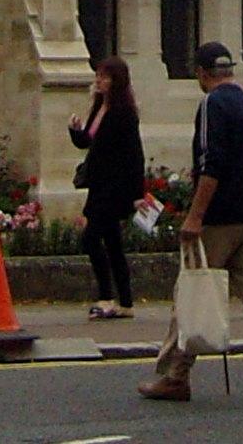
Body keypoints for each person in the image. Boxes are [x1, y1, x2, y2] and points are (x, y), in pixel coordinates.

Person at [141, 38, 243, 409]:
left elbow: (211, 163)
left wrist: (195, 216)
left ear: (202, 73)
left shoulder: (212, 104)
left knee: (193, 291)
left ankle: (175, 376)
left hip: (221, 218)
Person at [68, 54, 146, 320]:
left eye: (104, 77)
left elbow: (134, 154)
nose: (99, 81)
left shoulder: (124, 113)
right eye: (98, 76)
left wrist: (137, 194)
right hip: (99, 185)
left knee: (91, 239)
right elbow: (87, 142)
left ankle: (106, 297)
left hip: (115, 188)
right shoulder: (100, 106)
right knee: (113, 244)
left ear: (116, 81)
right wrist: (75, 130)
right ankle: (125, 302)